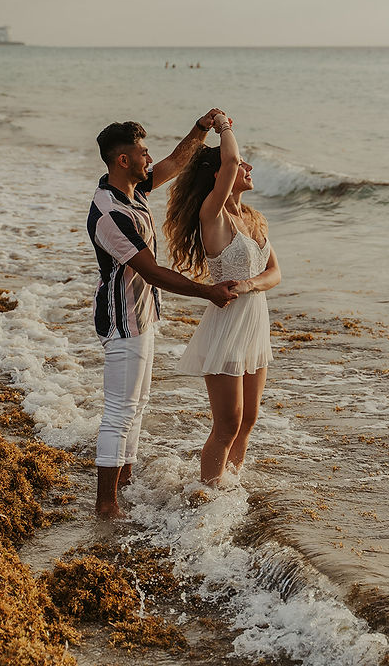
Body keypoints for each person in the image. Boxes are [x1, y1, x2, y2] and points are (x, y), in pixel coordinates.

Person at [88, 111, 239, 518]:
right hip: (123, 321)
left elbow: (176, 161)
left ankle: (125, 483)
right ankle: (106, 504)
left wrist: (203, 126)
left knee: (137, 405)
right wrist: (207, 291)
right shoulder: (110, 214)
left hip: (142, 314)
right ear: (123, 160)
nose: (149, 157)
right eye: (141, 152)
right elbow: (152, 271)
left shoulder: (132, 192)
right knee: (120, 409)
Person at [164, 112, 281, 485]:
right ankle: (206, 494)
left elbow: (275, 273)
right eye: (236, 165)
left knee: (249, 419)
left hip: (254, 322)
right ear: (219, 176)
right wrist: (224, 126)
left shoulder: (253, 218)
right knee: (228, 422)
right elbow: (230, 159)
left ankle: (229, 487)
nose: (246, 166)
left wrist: (248, 285)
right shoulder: (211, 215)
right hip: (228, 325)